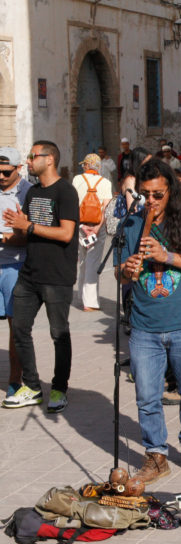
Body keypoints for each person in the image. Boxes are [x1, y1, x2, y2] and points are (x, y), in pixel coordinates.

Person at [119, 159, 181, 484]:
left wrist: (165, 256)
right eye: (145, 195)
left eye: (158, 194)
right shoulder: (131, 223)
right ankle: (156, 455)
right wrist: (126, 270)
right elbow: (119, 274)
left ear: (170, 189)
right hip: (145, 325)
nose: (151, 202)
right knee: (146, 396)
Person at [1, 141, 79, 413]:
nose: (30, 161)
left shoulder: (66, 192)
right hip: (30, 274)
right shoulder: (33, 192)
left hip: (57, 275)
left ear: (50, 160)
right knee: (20, 329)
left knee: (59, 333)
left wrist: (28, 225)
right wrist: (14, 232)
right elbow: (27, 232)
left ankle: (59, 388)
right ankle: (32, 387)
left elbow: (66, 233)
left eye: (34, 156)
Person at [0, 148, 31, 397]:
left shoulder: (28, 193)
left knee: (16, 327)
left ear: (18, 168)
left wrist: (5, 238)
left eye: (6, 171)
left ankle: (14, 380)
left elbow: (28, 236)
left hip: (15, 266)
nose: (0, 176)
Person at [72, 153, 113, 312]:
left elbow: (73, 204)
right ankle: (89, 302)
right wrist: (96, 228)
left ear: (87, 166)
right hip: (97, 227)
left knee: (82, 261)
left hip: (80, 226)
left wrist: (82, 226)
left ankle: (81, 296)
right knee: (93, 262)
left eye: (84, 164)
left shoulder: (77, 180)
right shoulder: (105, 183)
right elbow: (106, 209)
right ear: (99, 167)